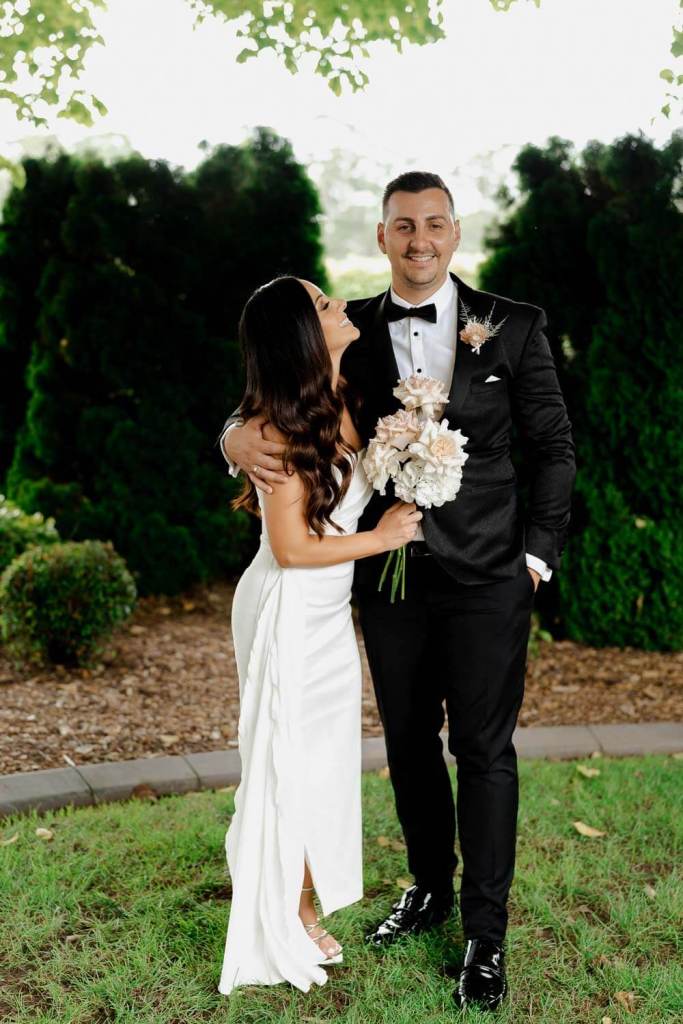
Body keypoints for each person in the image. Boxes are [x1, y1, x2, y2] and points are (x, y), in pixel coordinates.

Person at [221, 172, 576, 1012]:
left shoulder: (514, 326)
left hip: (492, 574)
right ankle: (427, 888)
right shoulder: (352, 328)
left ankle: (484, 935)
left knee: (484, 752)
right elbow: (282, 396)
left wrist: (536, 557)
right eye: (402, 227)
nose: (420, 241)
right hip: (391, 578)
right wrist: (230, 438)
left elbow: (553, 446)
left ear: (455, 233)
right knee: (409, 742)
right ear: (380, 237)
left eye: (434, 225)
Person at [217, 275, 422, 996]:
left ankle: (290, 884)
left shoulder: (344, 394)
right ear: (303, 334)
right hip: (287, 610)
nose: (339, 305)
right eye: (323, 304)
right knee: (288, 759)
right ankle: (289, 907)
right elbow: (293, 549)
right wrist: (385, 536)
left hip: (330, 614)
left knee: (325, 760)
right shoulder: (274, 431)